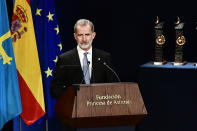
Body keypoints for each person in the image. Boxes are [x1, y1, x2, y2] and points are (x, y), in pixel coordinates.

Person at [50, 19, 118, 99]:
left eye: (87, 34)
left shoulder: (104, 57)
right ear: (75, 36)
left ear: (93, 35)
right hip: (75, 107)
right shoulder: (64, 59)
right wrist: (72, 95)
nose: (84, 39)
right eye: (80, 35)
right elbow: (54, 90)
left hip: (100, 106)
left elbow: (114, 85)